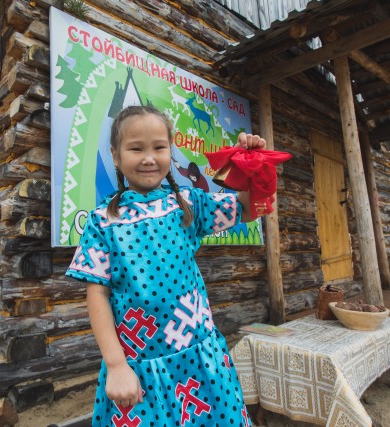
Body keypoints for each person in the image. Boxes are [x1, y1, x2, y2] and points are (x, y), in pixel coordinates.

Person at [66, 105, 268, 426]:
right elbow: (97, 295)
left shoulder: (189, 203)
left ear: (170, 149)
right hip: (137, 367)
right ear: (115, 156)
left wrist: (249, 162)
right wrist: (117, 366)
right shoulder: (103, 221)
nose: (149, 158)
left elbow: (246, 209)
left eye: (159, 147)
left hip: (200, 359)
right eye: (136, 148)